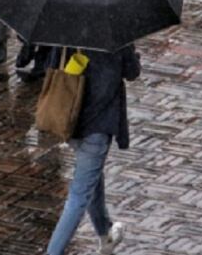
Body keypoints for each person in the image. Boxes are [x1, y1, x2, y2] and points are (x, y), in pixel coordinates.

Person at [45, 44, 139, 255]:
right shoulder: (117, 37)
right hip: (96, 127)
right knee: (78, 196)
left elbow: (52, 67)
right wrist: (132, 52)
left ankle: (105, 233)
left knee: (92, 176)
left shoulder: (67, 31)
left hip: (70, 120)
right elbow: (132, 72)